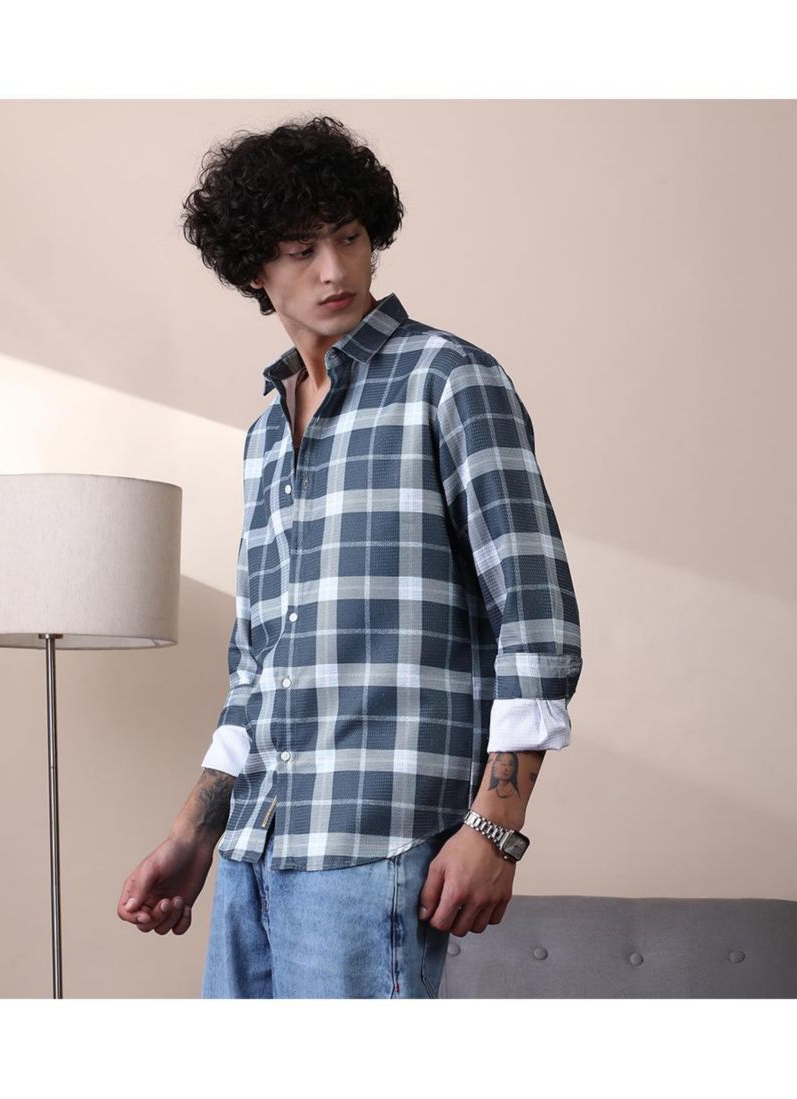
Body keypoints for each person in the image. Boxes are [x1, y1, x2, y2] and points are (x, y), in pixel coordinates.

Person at [116, 115, 583, 998]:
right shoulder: (264, 435)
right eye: (301, 249)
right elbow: (260, 666)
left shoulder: (449, 380)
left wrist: (495, 828)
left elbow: (537, 618)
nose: (334, 270)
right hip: (255, 849)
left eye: (350, 238)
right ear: (253, 269)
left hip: (378, 842)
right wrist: (194, 832)